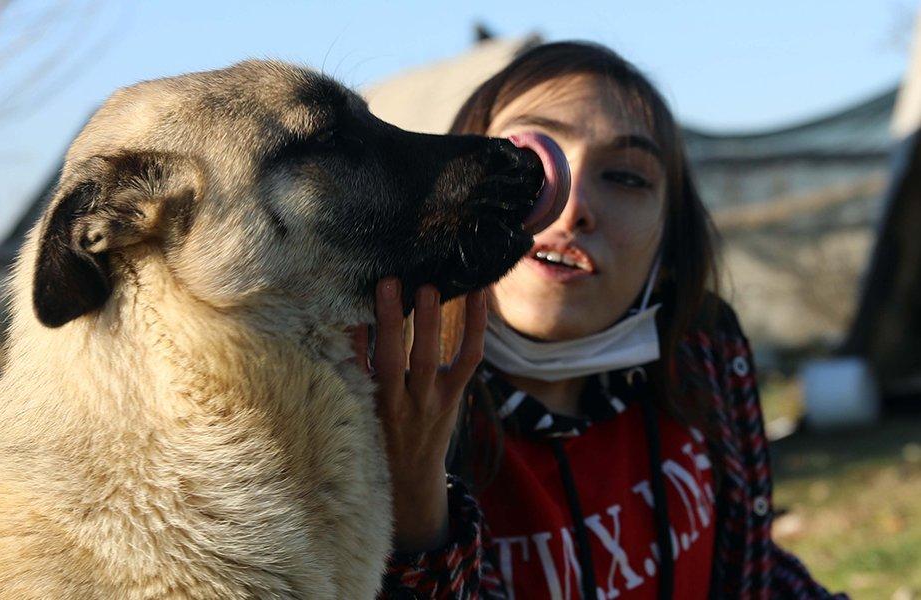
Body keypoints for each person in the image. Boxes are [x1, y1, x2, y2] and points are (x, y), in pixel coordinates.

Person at [356, 42, 845, 599]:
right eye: (529, 160)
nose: (570, 204)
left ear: (671, 241)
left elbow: (748, 566)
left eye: (628, 178)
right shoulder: (372, 408)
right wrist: (415, 501)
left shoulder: (701, 356)